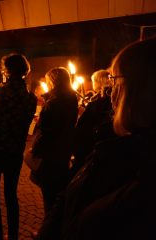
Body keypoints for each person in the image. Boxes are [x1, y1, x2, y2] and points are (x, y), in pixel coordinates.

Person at [33, 36, 156, 240]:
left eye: (115, 80)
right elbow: (69, 198)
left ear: (141, 89)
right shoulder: (117, 149)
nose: (110, 91)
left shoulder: (140, 174)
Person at [0, 53, 37, 240]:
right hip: (14, 150)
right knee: (11, 194)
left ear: (7, 71)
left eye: (4, 69)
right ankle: (13, 236)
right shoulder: (31, 98)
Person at [29, 67, 78, 214]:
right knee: (59, 193)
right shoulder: (71, 99)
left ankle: (49, 232)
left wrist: (35, 150)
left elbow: (46, 134)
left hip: (50, 156)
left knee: (50, 196)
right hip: (64, 151)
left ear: (53, 82)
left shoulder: (53, 103)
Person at [71, 69, 116, 177]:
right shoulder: (111, 101)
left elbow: (83, 132)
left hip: (93, 153)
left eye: (93, 81)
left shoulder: (98, 104)